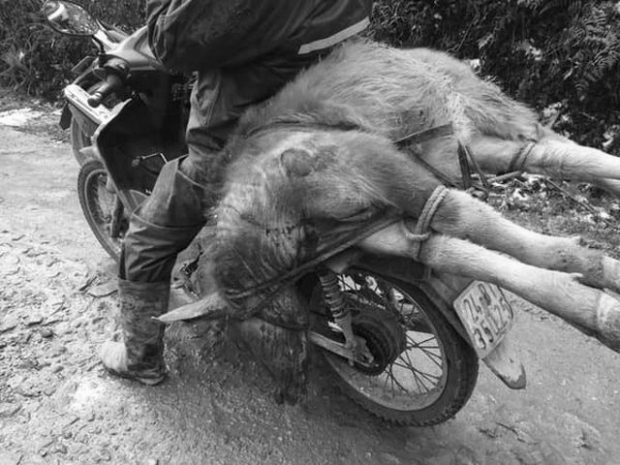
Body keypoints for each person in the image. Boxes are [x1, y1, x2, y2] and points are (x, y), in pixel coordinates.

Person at [99, 0, 373, 385]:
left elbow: (170, 42)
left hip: (240, 144)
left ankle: (139, 359)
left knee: (145, 238)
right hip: (330, 116)